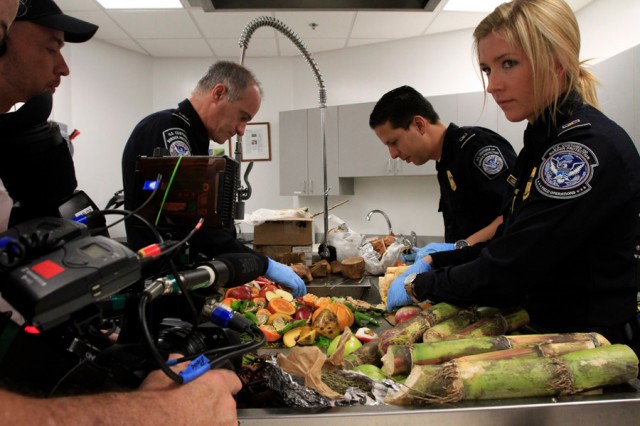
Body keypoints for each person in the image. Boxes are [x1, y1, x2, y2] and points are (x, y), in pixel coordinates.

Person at [0, 2, 242, 424]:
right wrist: (158, 413)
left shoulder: (23, 151)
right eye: (51, 47)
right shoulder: (170, 129)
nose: (64, 68)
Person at [387, 0, 640, 357]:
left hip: (595, 350)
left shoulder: (582, 150)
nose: (493, 85)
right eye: (488, 69)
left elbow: (510, 269)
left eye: (509, 64)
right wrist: (439, 261)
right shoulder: (540, 144)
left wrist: (421, 285)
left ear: (557, 61)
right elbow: (507, 241)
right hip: (548, 337)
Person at [121, 60, 307, 297]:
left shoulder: (192, 137)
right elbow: (191, 224)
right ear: (218, 93)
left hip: (182, 285)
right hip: (160, 290)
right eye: (243, 117)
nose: (241, 130)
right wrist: (261, 263)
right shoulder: (169, 131)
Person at [369, 86, 517, 259]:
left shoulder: (476, 148)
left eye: (394, 142)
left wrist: (459, 248)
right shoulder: (446, 163)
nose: (393, 154)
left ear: (419, 125)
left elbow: (515, 212)